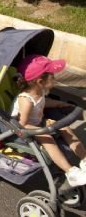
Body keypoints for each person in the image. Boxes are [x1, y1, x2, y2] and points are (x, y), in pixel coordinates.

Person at [12, 55, 86, 186]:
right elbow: (21, 124)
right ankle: (70, 172)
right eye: (52, 77)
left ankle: (84, 159)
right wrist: (43, 129)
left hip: (38, 121)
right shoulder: (26, 100)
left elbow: (43, 102)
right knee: (47, 137)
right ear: (40, 82)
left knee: (65, 128)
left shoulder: (39, 91)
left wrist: (59, 103)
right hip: (24, 129)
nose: (55, 78)